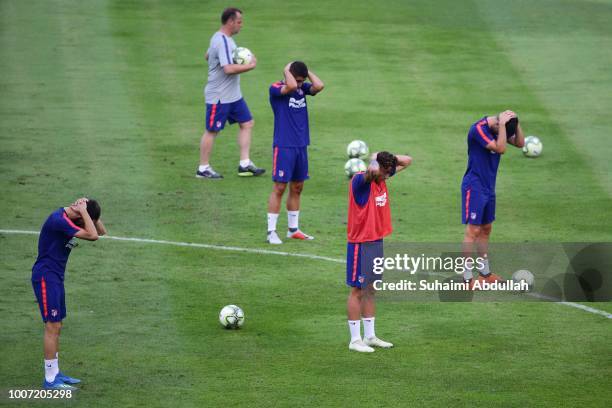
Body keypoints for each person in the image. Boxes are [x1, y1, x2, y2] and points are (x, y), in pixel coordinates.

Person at [31, 198, 106, 389]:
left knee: (58, 325)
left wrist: (90, 213)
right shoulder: (59, 220)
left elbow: (101, 231)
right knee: (52, 326)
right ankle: (49, 379)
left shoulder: (71, 219)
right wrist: (85, 211)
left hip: (55, 278)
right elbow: (93, 236)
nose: (78, 202)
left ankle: (55, 372)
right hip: (46, 278)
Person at [346, 151, 412, 352]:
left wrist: (389, 160)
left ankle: (370, 336)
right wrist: (375, 160)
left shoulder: (383, 173)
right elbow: (373, 170)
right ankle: (355, 340)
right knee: (357, 290)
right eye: (385, 173)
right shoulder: (362, 181)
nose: (387, 176)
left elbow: (407, 161)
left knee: (371, 289)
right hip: (361, 242)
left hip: (375, 240)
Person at [196, 7, 265, 179]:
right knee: (212, 130)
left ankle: (244, 164)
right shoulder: (223, 41)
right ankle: (203, 168)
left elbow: (207, 56)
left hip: (233, 95)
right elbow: (228, 69)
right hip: (219, 96)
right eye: (239, 22)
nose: (241, 25)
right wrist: (250, 65)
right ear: (230, 22)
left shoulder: (220, 38)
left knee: (247, 123)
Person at [461, 110, 525, 287]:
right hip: (474, 187)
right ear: (498, 125)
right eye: (502, 129)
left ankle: (484, 274)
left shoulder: (500, 128)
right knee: (472, 232)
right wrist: (504, 126)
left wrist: (515, 122)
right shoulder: (478, 129)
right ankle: (467, 278)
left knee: (486, 228)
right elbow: (501, 148)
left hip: (488, 187)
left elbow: (520, 143)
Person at [266, 61, 324, 244]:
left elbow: (319, 86)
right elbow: (290, 85)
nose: (299, 84)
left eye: (302, 81)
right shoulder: (276, 88)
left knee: (298, 187)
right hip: (284, 146)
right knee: (280, 187)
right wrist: (286, 70)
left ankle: (293, 230)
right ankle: (271, 232)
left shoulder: (302, 89)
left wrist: (306, 73)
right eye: (298, 80)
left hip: (301, 145)